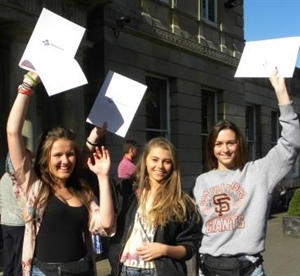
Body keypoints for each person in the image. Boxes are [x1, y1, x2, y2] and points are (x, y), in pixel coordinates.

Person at [6, 71, 115, 276]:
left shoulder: (82, 190)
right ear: (46, 157)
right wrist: (28, 85)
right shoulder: (33, 185)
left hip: (82, 269)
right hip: (43, 272)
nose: (65, 161)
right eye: (58, 155)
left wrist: (103, 177)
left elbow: (107, 225)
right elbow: (13, 132)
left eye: (70, 154)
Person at [193, 68, 300, 276]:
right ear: (211, 147)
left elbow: (292, 142)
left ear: (239, 144)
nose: (225, 149)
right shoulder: (201, 182)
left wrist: (281, 93)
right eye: (219, 144)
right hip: (209, 268)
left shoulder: (258, 172)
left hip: (248, 268)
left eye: (231, 143)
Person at [109, 137, 202, 276]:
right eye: (155, 159)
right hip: (124, 270)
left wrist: (164, 250)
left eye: (167, 161)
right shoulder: (129, 193)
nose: (160, 166)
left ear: (173, 166)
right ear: (145, 160)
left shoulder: (181, 203)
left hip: (160, 272)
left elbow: (189, 247)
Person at [0, 152, 31, 276]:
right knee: (19, 258)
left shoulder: (3, 178)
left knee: (8, 256)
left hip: (5, 222)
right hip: (19, 223)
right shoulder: (22, 179)